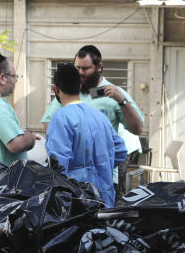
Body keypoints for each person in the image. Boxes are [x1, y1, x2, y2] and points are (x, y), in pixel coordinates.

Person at [46, 63, 128, 206]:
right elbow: (120, 151)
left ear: (56, 89)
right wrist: (102, 167)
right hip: (105, 199)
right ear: (79, 87)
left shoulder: (61, 118)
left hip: (77, 203)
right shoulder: (100, 117)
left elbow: (58, 166)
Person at [40, 44, 144, 135]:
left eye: (85, 68)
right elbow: (48, 123)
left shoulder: (115, 94)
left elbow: (137, 129)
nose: (80, 72)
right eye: (77, 68)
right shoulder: (69, 90)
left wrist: (122, 101)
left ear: (99, 67)